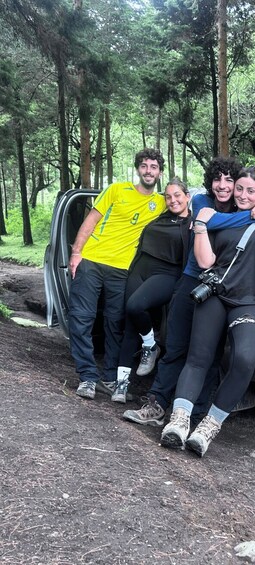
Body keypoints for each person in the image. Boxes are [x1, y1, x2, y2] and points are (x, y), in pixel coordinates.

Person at [122, 158, 255, 426]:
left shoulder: (243, 203)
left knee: (209, 355)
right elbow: (215, 222)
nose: (223, 185)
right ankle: (157, 404)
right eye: (217, 179)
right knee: (176, 345)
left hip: (224, 289)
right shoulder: (201, 202)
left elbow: (247, 221)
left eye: (229, 180)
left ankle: (193, 415)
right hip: (193, 280)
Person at [159, 167, 255, 456]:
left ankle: (209, 426)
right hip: (217, 295)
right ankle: (179, 422)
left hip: (251, 301)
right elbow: (205, 261)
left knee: (245, 361)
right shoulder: (218, 218)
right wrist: (201, 225)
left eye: (251, 191)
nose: (243, 195)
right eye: (240, 189)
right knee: (198, 358)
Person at [69, 148, 167, 400]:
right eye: (144, 166)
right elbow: (91, 220)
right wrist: (76, 253)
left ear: (160, 172)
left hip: (123, 270)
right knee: (82, 318)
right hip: (92, 260)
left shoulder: (162, 203)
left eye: (153, 167)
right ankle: (87, 377)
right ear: (138, 169)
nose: (148, 171)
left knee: (115, 323)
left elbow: (188, 203)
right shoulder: (116, 190)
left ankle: (110, 377)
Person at [111, 178, 192, 403]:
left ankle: (150, 345)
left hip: (167, 273)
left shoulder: (193, 224)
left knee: (135, 306)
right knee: (130, 324)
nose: (173, 200)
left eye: (177, 195)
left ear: (187, 197)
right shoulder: (159, 217)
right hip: (140, 269)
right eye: (168, 196)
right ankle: (121, 384)